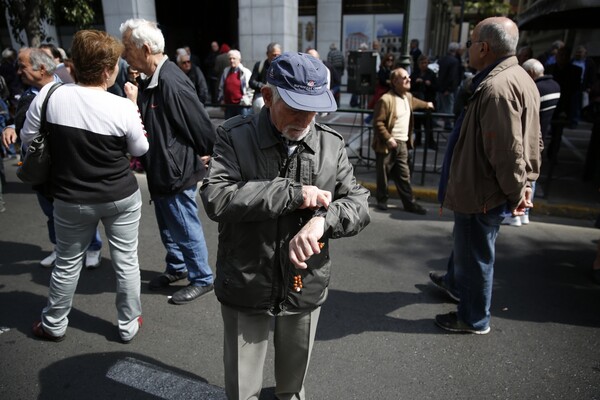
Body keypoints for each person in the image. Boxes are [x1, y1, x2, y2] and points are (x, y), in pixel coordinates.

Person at [201, 51, 370, 400]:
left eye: (314, 108)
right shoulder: (234, 136)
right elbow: (217, 197)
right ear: (267, 97)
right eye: (294, 107)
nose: (306, 118)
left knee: (292, 387)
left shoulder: (330, 143)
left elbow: (358, 202)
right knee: (241, 387)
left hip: (304, 283)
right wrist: (292, 194)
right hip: (246, 281)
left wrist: (323, 222)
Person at [23, 30, 149, 342]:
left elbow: (29, 139)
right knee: (126, 261)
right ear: (107, 70)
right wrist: (133, 105)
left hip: (70, 197)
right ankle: (128, 323)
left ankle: (54, 323)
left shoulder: (50, 96)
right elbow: (140, 149)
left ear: (75, 65)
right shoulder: (121, 106)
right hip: (120, 195)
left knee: (66, 264)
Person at [431, 17, 541, 334]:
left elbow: (507, 153)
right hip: (482, 189)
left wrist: (518, 191)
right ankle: (454, 283)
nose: (468, 50)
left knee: (477, 255)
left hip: (481, 193)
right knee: (467, 246)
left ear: (483, 47)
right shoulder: (517, 77)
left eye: (470, 43)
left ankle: (473, 318)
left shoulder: (497, 87)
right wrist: (526, 184)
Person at [120, 18, 216, 304]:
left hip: (176, 170)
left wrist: (209, 152)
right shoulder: (151, 78)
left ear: (146, 48)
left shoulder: (171, 79)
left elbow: (200, 124)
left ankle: (202, 277)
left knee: (184, 225)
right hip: (161, 168)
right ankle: (177, 267)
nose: (124, 55)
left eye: (128, 48)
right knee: (168, 225)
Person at [1, 47, 104, 269]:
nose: (19, 72)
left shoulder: (68, 86)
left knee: (82, 211)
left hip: (67, 167)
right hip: (40, 169)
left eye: (22, 67)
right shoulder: (28, 94)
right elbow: (23, 124)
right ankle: (59, 247)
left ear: (40, 68)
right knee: (51, 212)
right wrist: (11, 126)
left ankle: (93, 247)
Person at [502, 58, 560, 226]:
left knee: (521, 177)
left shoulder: (535, 88)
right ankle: (524, 212)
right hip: (539, 137)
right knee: (531, 177)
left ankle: (515, 214)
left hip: (529, 135)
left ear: (531, 73)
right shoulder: (555, 86)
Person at [372, 67, 434, 214]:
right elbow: (378, 122)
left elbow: (417, 103)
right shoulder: (386, 99)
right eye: (404, 77)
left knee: (404, 175)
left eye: (409, 77)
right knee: (383, 174)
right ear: (395, 81)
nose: (409, 79)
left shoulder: (408, 97)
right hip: (388, 144)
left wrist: (427, 105)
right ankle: (382, 200)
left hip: (403, 144)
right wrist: (388, 138)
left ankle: (409, 203)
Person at [411, 54, 438, 149]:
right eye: (422, 63)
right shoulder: (415, 73)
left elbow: (436, 88)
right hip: (417, 101)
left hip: (428, 101)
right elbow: (410, 86)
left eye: (426, 63)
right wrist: (416, 82)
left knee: (428, 124)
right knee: (417, 123)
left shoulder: (431, 74)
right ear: (419, 64)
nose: (424, 65)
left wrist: (429, 84)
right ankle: (417, 140)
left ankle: (430, 141)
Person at [217, 49, 253, 119]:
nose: (231, 60)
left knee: (243, 126)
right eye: (230, 59)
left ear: (239, 60)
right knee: (229, 127)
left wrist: (246, 100)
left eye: (234, 58)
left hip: (241, 106)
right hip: (228, 106)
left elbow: (250, 88)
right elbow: (221, 87)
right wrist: (221, 100)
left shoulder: (245, 72)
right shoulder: (226, 71)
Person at [249, 42, 282, 114]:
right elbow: (251, 82)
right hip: (261, 96)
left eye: (278, 55)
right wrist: (264, 86)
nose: (276, 57)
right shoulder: (260, 65)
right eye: (274, 55)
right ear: (268, 54)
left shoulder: (283, 68)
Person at [569, 45, 596, 128]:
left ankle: (574, 121)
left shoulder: (589, 63)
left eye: (580, 52)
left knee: (577, 105)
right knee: (570, 104)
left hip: (581, 86)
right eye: (577, 52)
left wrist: (589, 86)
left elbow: (591, 75)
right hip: (570, 85)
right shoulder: (572, 61)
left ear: (585, 53)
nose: (578, 54)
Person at [436, 42, 460, 129]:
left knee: (442, 105)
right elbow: (452, 76)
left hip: (441, 87)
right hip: (448, 88)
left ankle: (444, 122)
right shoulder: (454, 61)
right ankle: (448, 124)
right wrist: (449, 89)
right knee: (448, 106)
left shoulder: (442, 59)